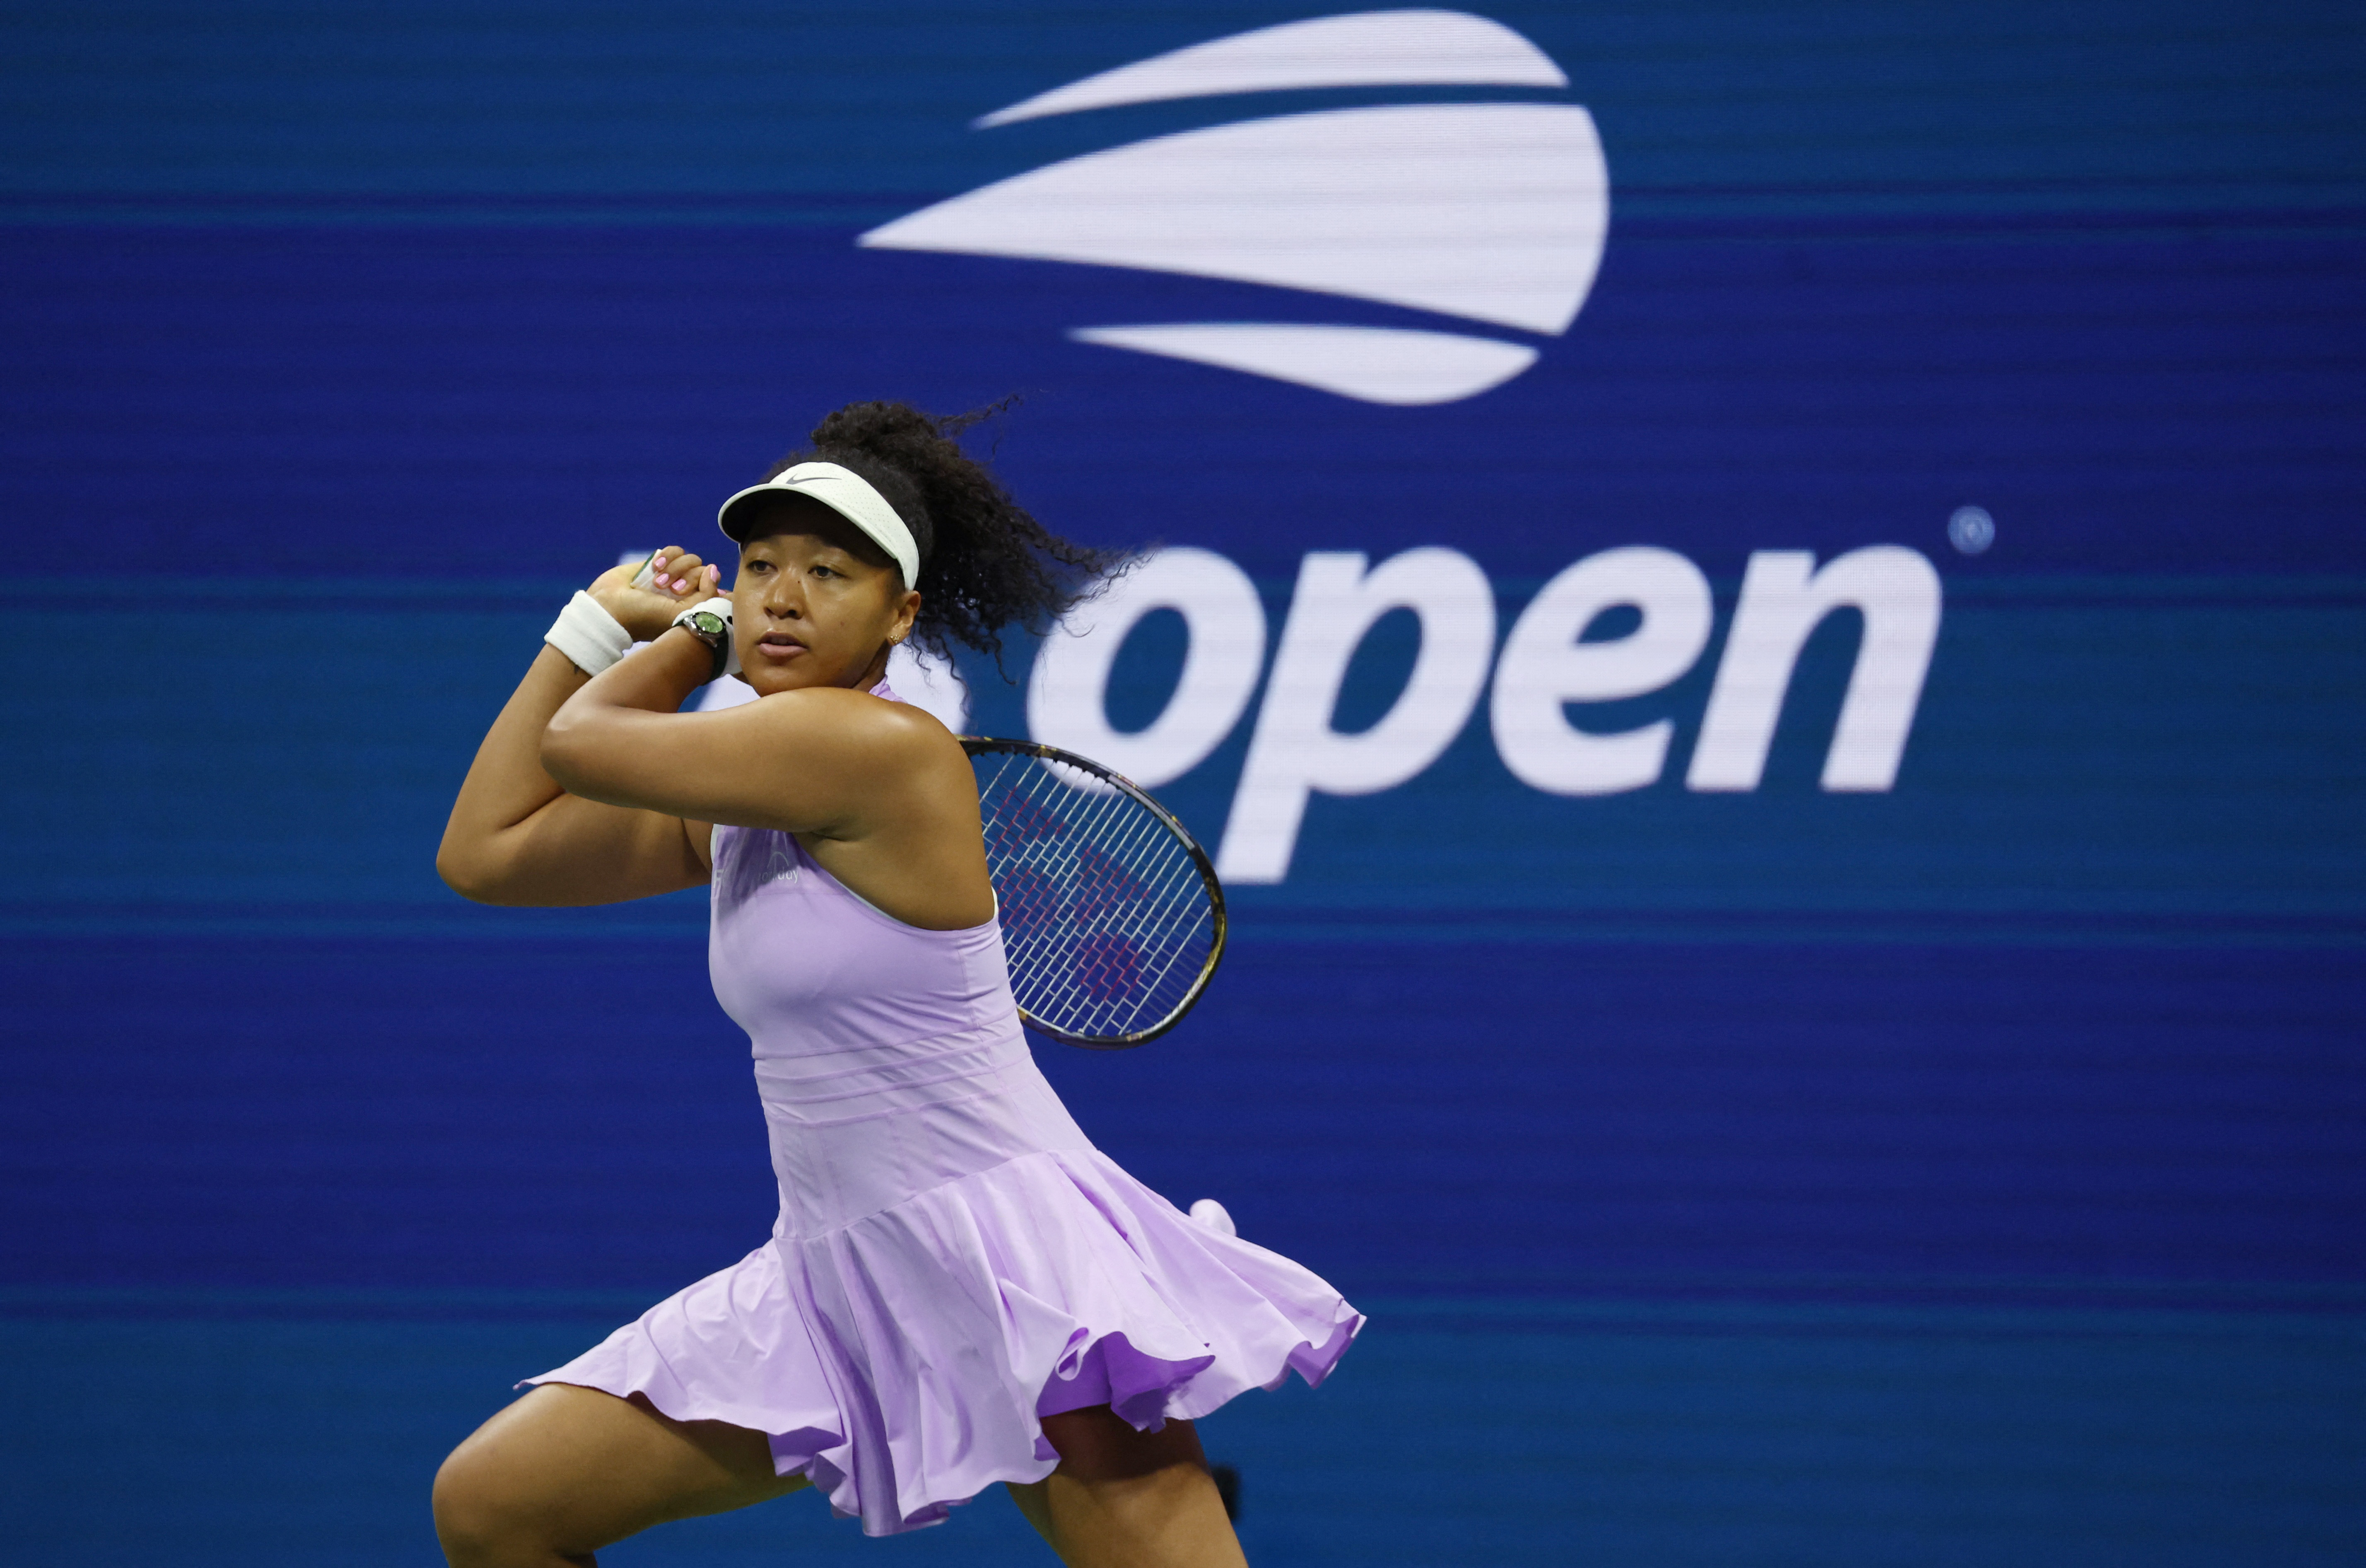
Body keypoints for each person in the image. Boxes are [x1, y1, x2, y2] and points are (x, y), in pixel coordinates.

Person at [430, 400, 1360, 1568]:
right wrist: (587, 625)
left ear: (900, 614)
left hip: (1011, 1266)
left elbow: (580, 743)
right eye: (760, 564)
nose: (780, 592)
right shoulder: (737, 802)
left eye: (828, 571)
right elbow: (486, 851)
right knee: (496, 1506)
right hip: (832, 1273)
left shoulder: (874, 749)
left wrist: (682, 628)